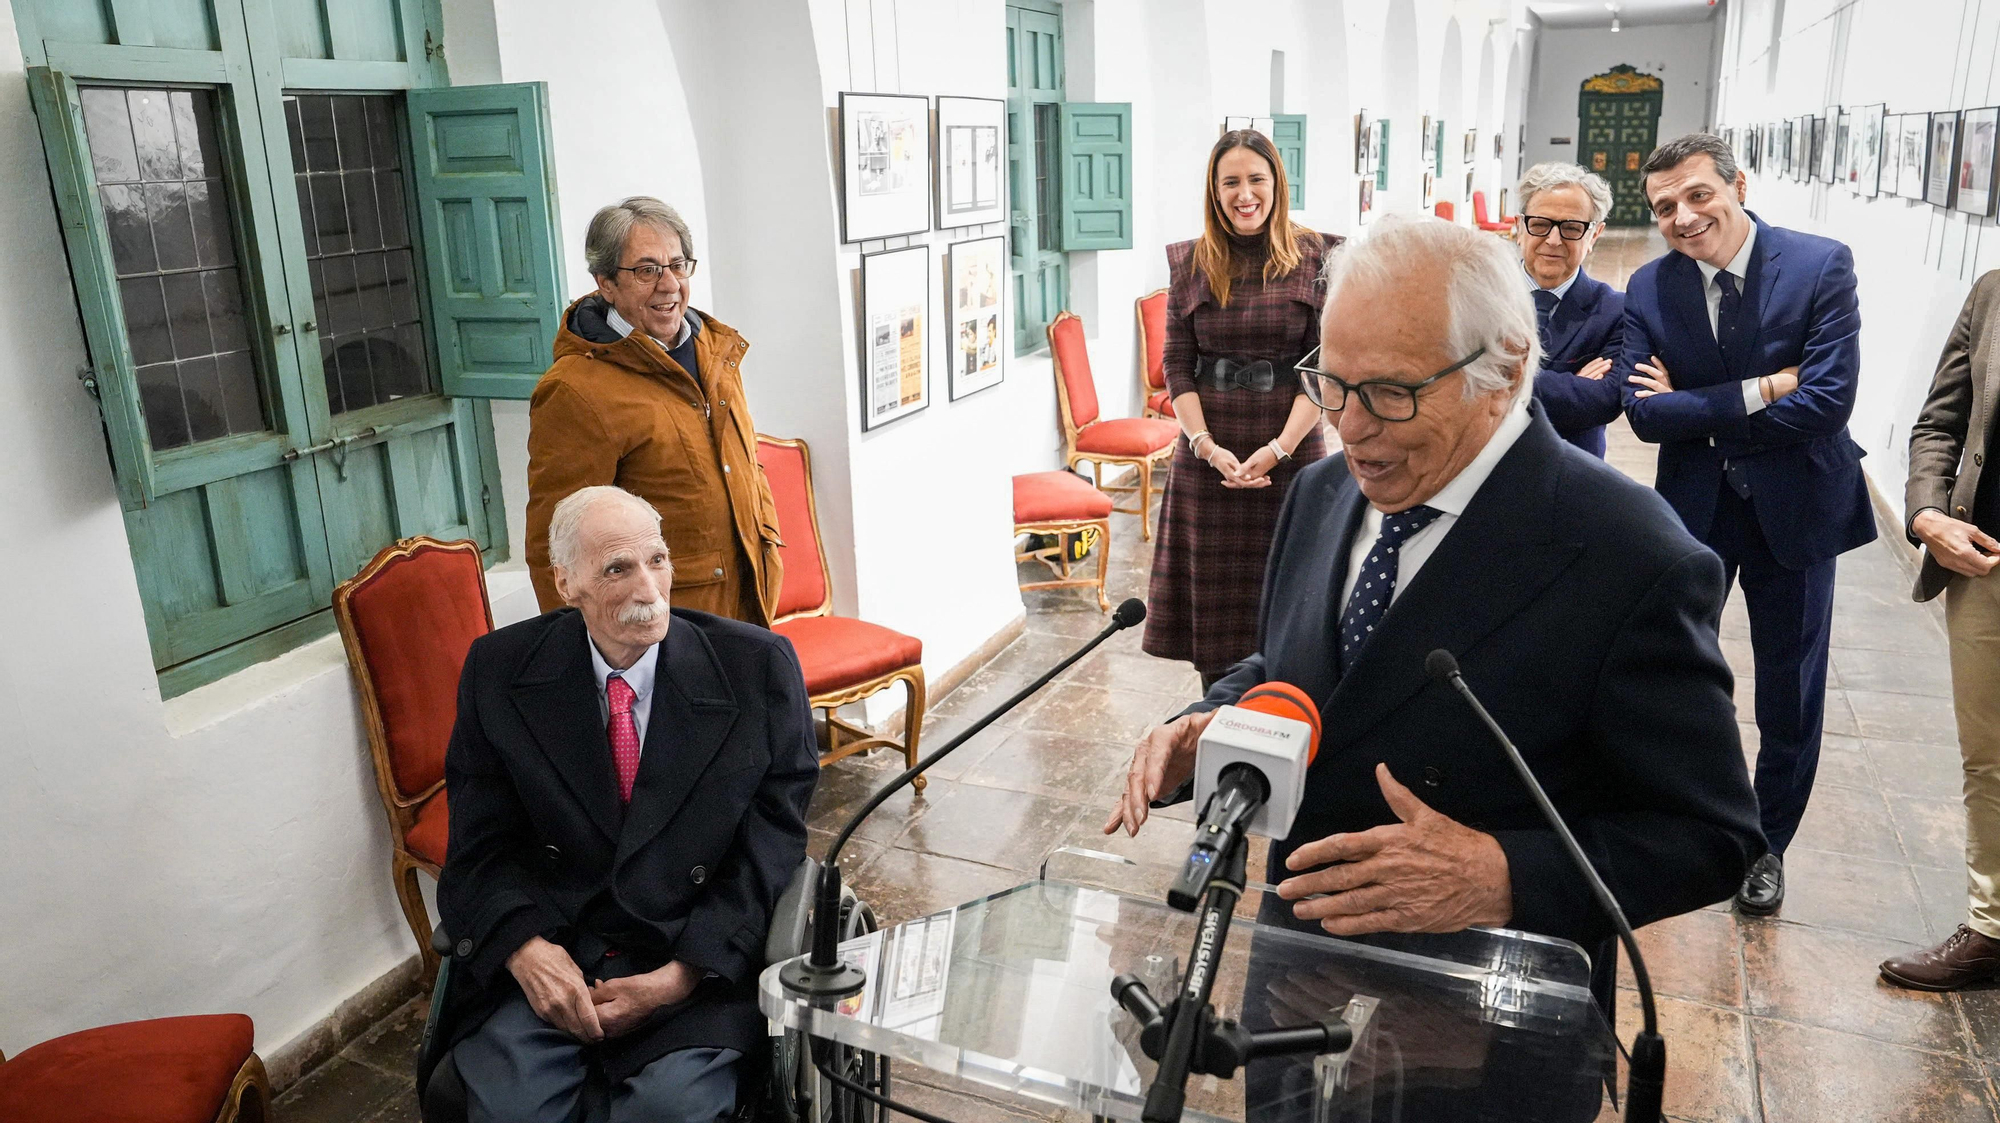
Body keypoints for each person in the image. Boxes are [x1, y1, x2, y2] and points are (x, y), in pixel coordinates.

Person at [1106, 214, 1761, 1040]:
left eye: (1390, 392)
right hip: (1296, 988)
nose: (1349, 427)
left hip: (1485, 1018)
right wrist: (1210, 725)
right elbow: (1304, 665)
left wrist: (1502, 875)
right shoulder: (1321, 494)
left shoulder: (1632, 555)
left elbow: (1712, 835)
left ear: (1505, 370)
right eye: (1331, 384)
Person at [433, 485, 818, 1123]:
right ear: (566, 583)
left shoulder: (756, 669)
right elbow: (478, 847)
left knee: (669, 1114)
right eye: (618, 568)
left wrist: (685, 974)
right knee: (508, 1111)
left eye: (658, 560)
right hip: (556, 958)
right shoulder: (500, 671)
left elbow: (772, 847)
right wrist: (524, 949)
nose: (649, 588)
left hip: (690, 959)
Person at [1619, 134, 1877, 916]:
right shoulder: (1649, 286)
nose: (1684, 217)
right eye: (1665, 207)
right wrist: (1761, 390)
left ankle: (1766, 845)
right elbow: (1643, 413)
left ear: (1738, 183)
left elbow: (1828, 401)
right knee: (1667, 669)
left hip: (1798, 508)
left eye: (1698, 195)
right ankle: (1672, 816)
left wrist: (1696, 411)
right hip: (1694, 509)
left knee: (1789, 689)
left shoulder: (1819, 264)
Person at [526, 197, 783, 624]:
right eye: (646, 271)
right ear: (605, 283)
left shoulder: (716, 352)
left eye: (678, 266)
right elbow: (554, 547)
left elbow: (746, 467)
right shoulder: (574, 391)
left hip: (749, 602)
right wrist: (576, 653)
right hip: (662, 625)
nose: (669, 285)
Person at [1144, 129, 1337, 690]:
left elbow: (1325, 365)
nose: (1244, 193)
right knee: (1219, 619)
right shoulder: (1189, 261)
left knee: (1296, 600)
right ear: (1214, 189)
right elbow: (1178, 366)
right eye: (1231, 182)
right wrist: (1205, 446)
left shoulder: (1320, 255)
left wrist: (1279, 449)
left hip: (1294, 450)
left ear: (1277, 182)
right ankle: (1217, 722)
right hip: (1211, 458)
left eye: (1256, 179)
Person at [1879, 272, 2000, 990]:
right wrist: (1926, 513)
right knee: (1988, 755)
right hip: (1985, 561)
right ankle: (1991, 925)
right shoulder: (1993, 292)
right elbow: (1940, 421)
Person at [1514, 162, 1625, 457]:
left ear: (1595, 234)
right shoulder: (1478, 296)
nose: (1553, 240)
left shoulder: (1616, 311)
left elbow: (1604, 401)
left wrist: (1495, 377)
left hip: (1570, 476)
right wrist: (1573, 386)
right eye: (1540, 224)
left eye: (1571, 228)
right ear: (1519, 226)